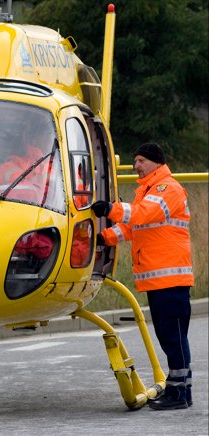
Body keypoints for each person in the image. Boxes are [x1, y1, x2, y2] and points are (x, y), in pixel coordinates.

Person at [91, 142, 194, 410]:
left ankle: (180, 394)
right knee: (169, 336)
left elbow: (142, 215)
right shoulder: (148, 191)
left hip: (171, 279)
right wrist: (103, 237)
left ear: (155, 162)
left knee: (173, 337)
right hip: (160, 280)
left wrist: (110, 209)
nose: (135, 166)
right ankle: (179, 390)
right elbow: (133, 228)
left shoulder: (165, 188)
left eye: (140, 161)